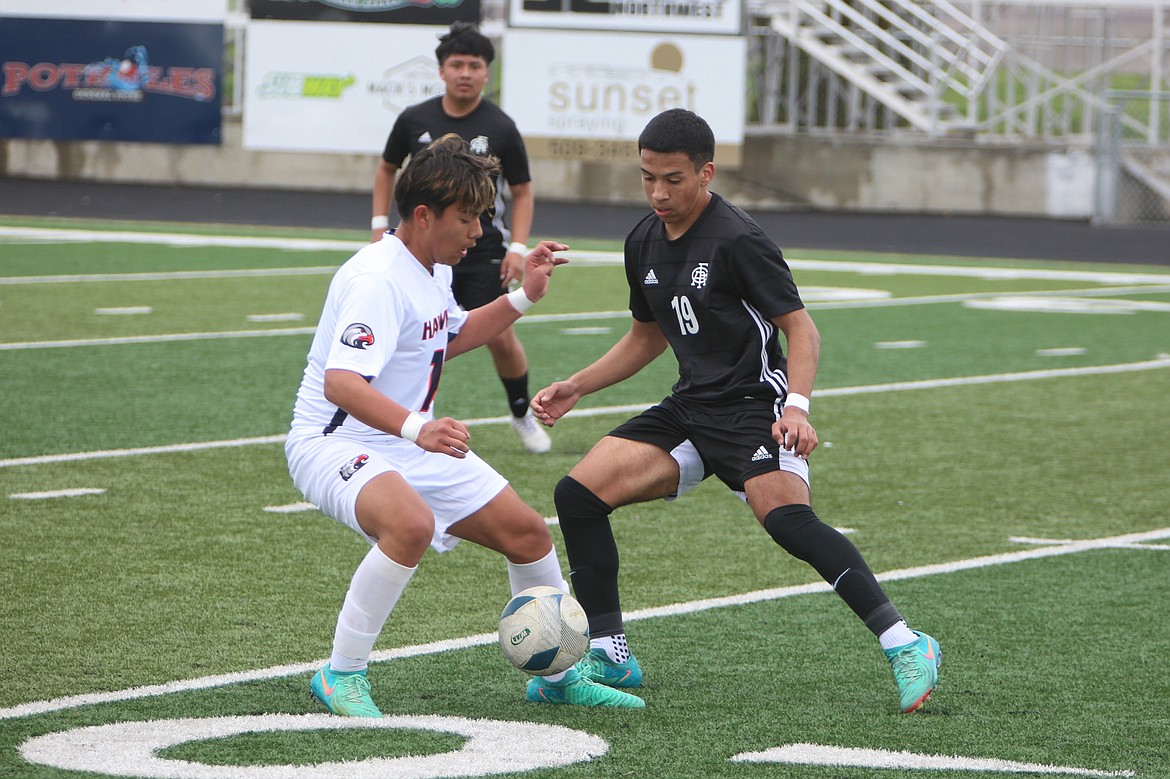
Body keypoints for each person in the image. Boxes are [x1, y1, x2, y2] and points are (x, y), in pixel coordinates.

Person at [530, 109, 942, 714]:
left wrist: (796, 408)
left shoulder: (738, 238)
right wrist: (578, 386)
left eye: (673, 179)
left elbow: (801, 330)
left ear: (706, 173)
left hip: (755, 407)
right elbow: (649, 334)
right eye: (647, 178)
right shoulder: (643, 238)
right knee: (578, 496)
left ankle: (907, 645)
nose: (658, 193)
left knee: (786, 522)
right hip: (691, 407)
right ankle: (613, 654)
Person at [287, 134, 643, 716]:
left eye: (483, 217)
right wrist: (415, 429)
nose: (479, 232)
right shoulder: (377, 278)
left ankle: (557, 676)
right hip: (335, 441)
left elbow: (446, 338)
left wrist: (524, 296)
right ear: (423, 216)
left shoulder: (431, 267)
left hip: (403, 437)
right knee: (410, 525)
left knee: (527, 533)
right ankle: (340, 674)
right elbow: (342, 385)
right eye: (469, 218)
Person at [371, 21, 550, 454]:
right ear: (441, 71)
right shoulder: (414, 118)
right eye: (457, 64)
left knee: (498, 335)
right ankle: (407, 417)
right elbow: (385, 170)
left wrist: (518, 249)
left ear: (487, 72)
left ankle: (521, 412)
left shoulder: (501, 126)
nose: (465, 72)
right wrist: (380, 226)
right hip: (424, 249)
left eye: (475, 65)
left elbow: (522, 192)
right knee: (416, 333)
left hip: (483, 248)